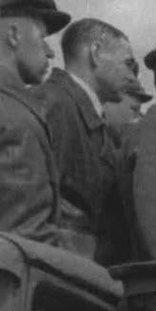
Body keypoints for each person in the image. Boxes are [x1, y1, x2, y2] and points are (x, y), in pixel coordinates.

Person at [30, 16, 132, 259]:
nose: (132, 77)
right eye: (128, 64)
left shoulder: (76, 107)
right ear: (96, 53)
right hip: (61, 269)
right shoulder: (55, 104)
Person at [0, 0, 68, 243]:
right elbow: (24, 228)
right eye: (42, 38)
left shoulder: (15, 102)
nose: (50, 52)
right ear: (14, 35)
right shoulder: (9, 108)